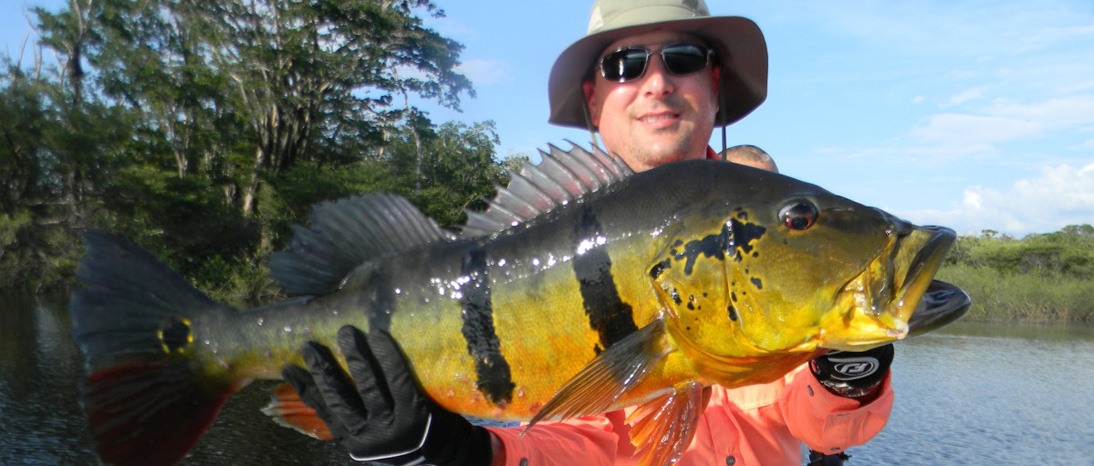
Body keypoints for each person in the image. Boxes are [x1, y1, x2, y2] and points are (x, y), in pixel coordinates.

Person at [283, 1, 896, 465]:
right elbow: (570, 440)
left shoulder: (772, 232)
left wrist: (851, 370)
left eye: (683, 59)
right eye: (625, 65)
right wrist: (462, 453)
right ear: (593, 96)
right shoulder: (548, 227)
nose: (657, 82)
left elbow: (827, 426)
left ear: (715, 86)